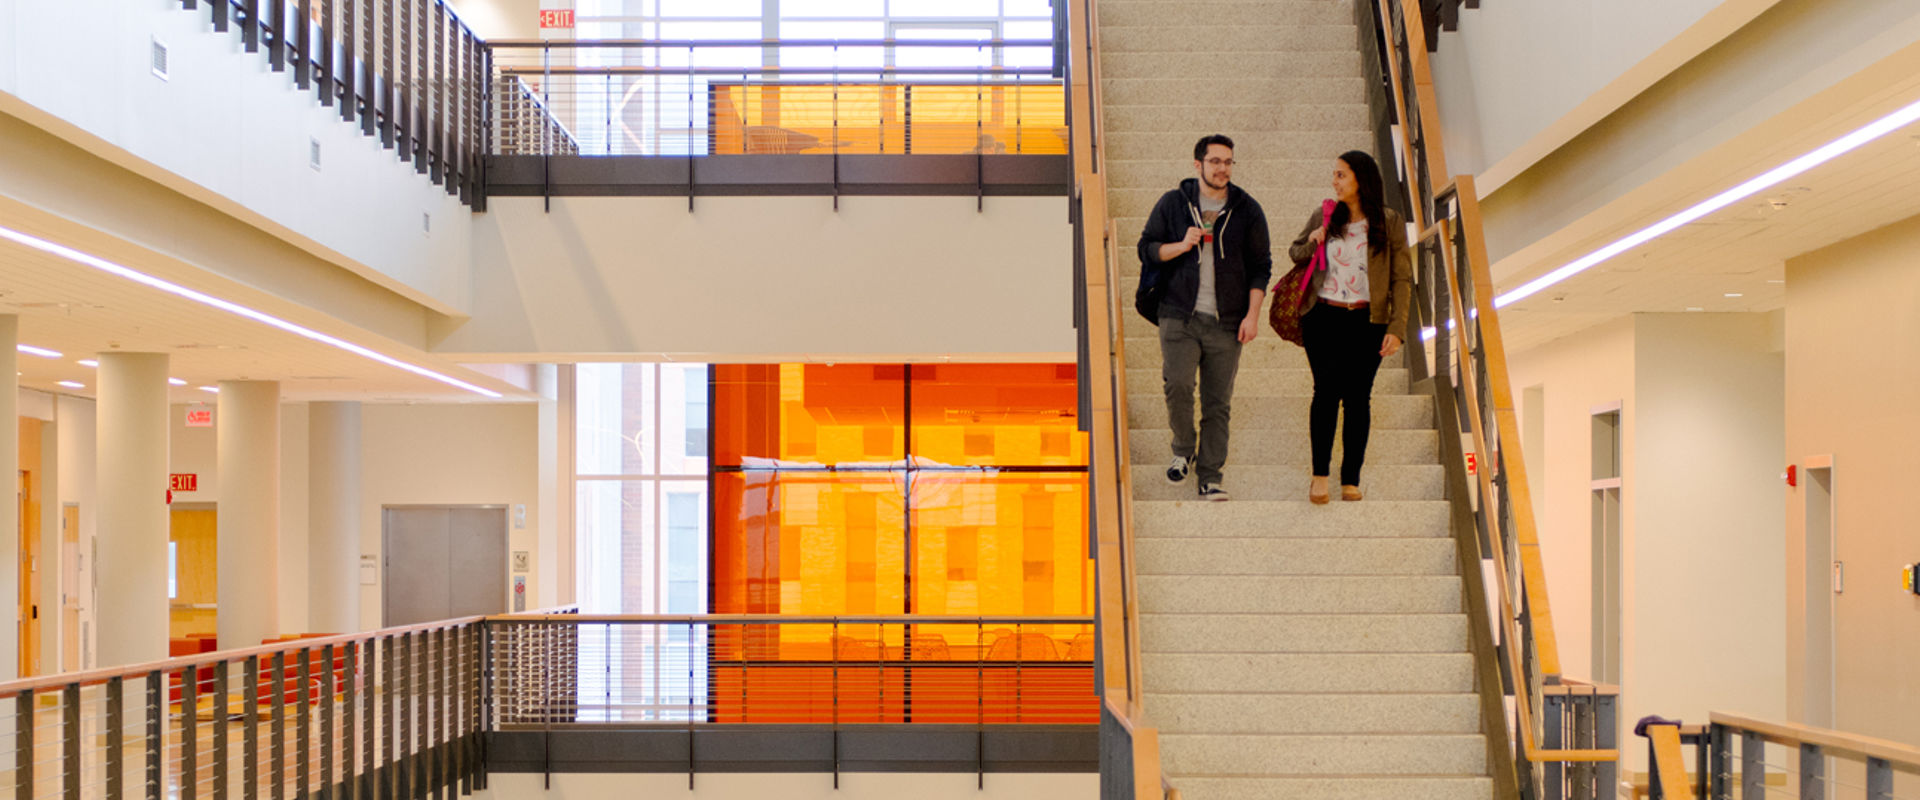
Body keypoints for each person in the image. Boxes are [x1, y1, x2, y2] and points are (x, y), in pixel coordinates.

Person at [1136, 134, 1273, 501]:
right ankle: (1183, 450)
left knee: (1218, 402)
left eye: (1228, 162)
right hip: (1179, 315)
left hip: (1227, 323)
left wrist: (1253, 315)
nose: (1222, 168)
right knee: (1178, 385)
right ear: (1198, 165)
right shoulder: (1173, 204)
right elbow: (1146, 248)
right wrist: (1181, 245)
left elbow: (1262, 267)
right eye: (1215, 161)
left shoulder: (1247, 209)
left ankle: (1210, 475)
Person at [1286, 150, 1412, 504]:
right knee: (1325, 392)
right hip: (1323, 317)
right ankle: (1319, 475)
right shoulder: (1325, 214)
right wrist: (1314, 239)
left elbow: (1402, 278)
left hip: (1367, 319)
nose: (1335, 181)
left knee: (1358, 398)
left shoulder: (1388, 221)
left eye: (1341, 174)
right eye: (1335, 175)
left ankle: (1351, 478)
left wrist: (1397, 327)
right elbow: (1294, 253)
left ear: (1361, 178)